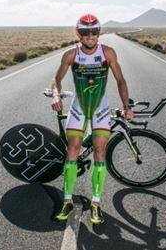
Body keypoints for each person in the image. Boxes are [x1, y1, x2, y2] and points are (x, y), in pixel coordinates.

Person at [51, 14, 134, 224]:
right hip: (79, 107)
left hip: (101, 108)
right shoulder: (71, 55)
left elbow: (121, 80)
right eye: (85, 32)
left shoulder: (107, 53)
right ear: (78, 33)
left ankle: (96, 205)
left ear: (99, 32)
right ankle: (67, 201)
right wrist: (56, 95)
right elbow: (56, 79)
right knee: (72, 151)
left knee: (99, 152)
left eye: (94, 31)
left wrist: (127, 107)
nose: (90, 36)